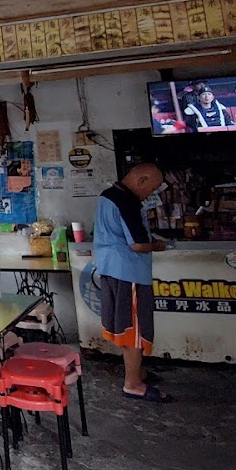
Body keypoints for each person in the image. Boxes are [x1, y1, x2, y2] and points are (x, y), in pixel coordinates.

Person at [93, 163, 172, 402]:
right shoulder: (127, 202)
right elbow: (138, 244)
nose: (150, 195)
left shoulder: (107, 195)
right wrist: (158, 245)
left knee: (124, 326)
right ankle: (133, 384)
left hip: (110, 269)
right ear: (141, 180)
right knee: (134, 331)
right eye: (152, 189)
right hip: (129, 274)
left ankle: (138, 371)